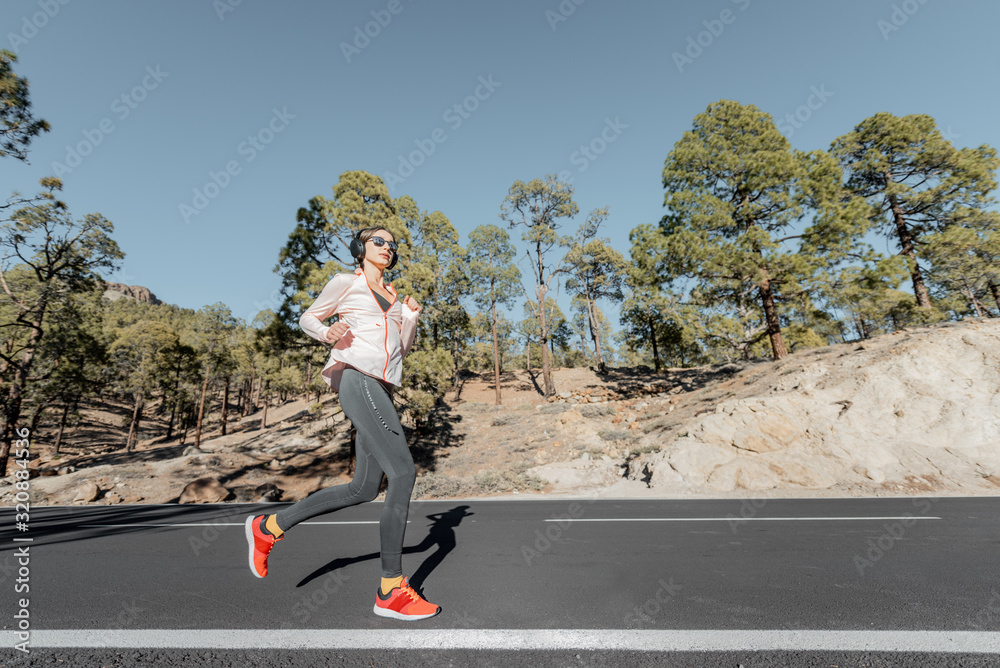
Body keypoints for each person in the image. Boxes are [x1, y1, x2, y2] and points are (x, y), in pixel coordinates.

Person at [244, 226, 440, 621]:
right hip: (357, 378)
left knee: (364, 488)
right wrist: (326, 331)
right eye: (378, 242)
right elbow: (308, 317)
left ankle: (269, 527)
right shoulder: (344, 283)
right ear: (360, 249)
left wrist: (412, 318)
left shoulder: (396, 298)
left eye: (391, 244)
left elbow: (401, 349)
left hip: (380, 388)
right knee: (402, 474)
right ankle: (390, 590)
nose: (387, 248)